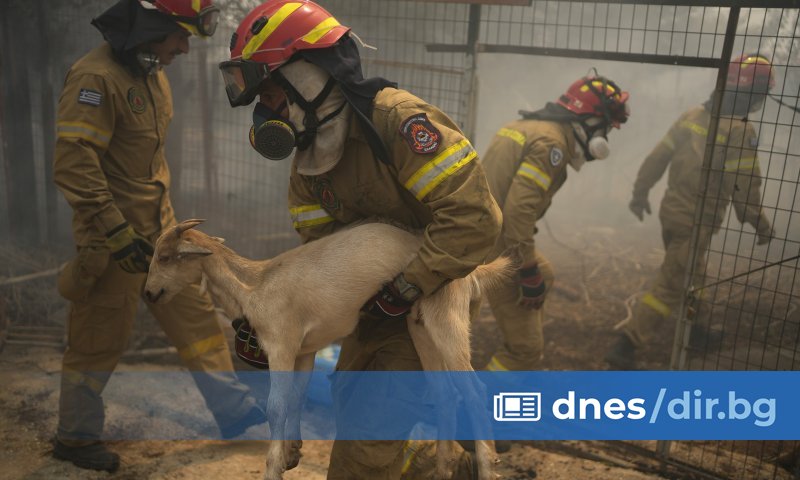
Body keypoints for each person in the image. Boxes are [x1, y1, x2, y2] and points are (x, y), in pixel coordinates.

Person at [219, 1, 502, 478]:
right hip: (372, 306)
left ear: (306, 77)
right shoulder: (309, 165)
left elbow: (474, 218)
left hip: (431, 297)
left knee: (366, 439)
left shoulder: (398, 123)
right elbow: (323, 262)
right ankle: (447, 465)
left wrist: (408, 285)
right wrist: (273, 322)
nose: (265, 115)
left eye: (269, 95)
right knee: (351, 403)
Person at [51, 0, 266, 472]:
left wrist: (166, 230)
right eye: (180, 36)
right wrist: (115, 232)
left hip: (161, 236)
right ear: (152, 27)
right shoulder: (95, 79)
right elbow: (74, 164)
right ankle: (76, 438)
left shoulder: (152, 74)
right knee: (98, 338)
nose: (185, 48)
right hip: (111, 242)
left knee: (197, 320)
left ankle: (235, 413)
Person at [605, 54, 775, 370]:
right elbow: (743, 184)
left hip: (672, 213)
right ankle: (626, 345)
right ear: (752, 95)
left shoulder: (692, 115)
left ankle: (697, 332)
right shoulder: (740, 130)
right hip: (697, 221)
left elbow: (657, 157)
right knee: (671, 284)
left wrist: (640, 193)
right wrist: (760, 223)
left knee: (693, 273)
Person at [475, 74, 630, 372]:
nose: (605, 137)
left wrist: (534, 271)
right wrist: (526, 269)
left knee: (544, 274)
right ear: (589, 121)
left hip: (484, 229)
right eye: (606, 127)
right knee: (525, 350)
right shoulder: (552, 145)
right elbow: (519, 211)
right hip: (495, 243)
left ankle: (524, 348)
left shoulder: (526, 126)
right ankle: (483, 398)